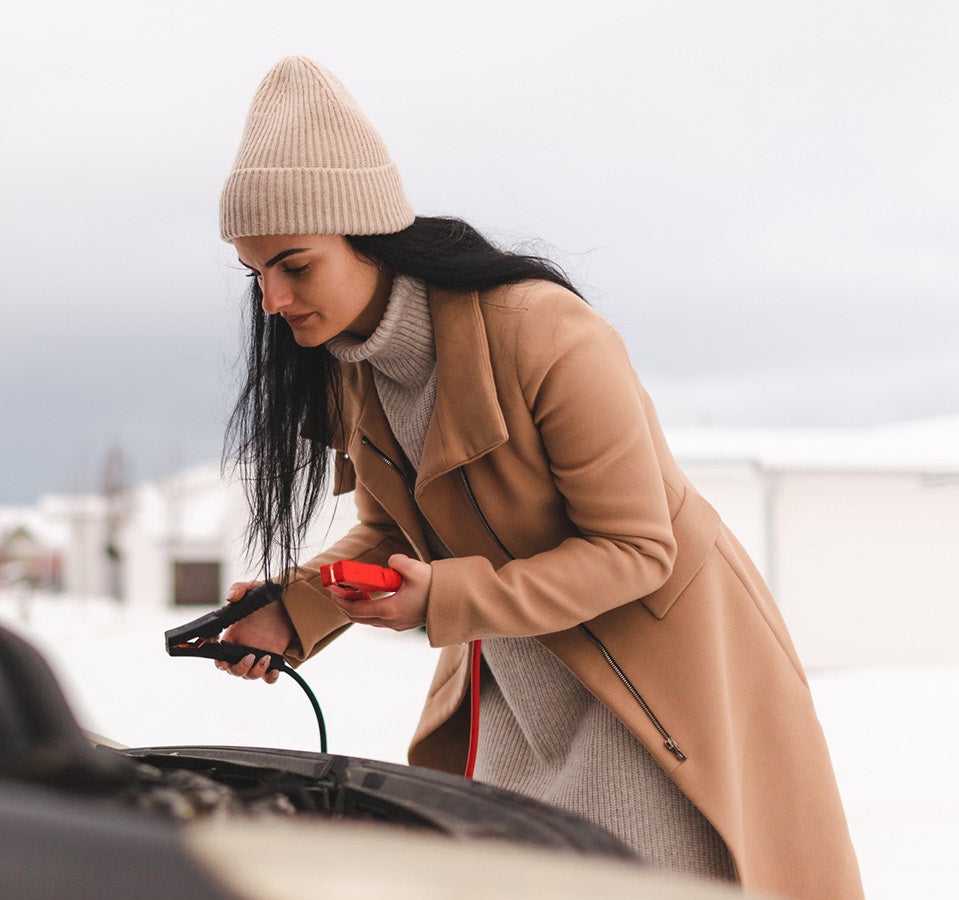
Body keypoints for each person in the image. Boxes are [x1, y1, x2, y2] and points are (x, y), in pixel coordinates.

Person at [209, 56, 864, 898]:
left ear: (366, 233)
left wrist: (441, 598)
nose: (272, 300)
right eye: (256, 273)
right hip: (521, 697)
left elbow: (635, 548)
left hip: (656, 688)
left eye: (295, 266)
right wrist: (287, 613)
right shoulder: (353, 367)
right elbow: (391, 533)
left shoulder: (544, 333)